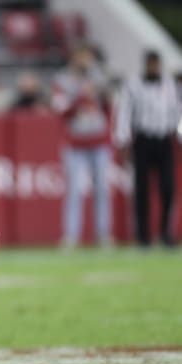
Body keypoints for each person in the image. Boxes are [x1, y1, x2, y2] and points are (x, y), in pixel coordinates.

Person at [114, 50, 182, 248]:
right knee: (141, 190)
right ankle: (143, 236)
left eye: (156, 64)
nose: (153, 68)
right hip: (143, 140)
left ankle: (165, 233)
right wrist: (122, 139)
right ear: (146, 65)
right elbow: (124, 112)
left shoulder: (171, 85)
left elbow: (178, 111)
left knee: (168, 189)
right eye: (150, 64)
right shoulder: (134, 85)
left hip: (163, 140)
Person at [51, 44, 113, 249]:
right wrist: (80, 97)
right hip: (75, 142)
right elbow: (59, 108)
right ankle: (71, 235)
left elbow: (110, 103)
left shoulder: (100, 77)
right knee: (74, 190)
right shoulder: (63, 79)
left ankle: (103, 234)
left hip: (98, 140)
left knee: (102, 189)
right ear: (73, 57)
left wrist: (99, 91)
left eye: (87, 56)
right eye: (81, 56)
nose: (84, 61)